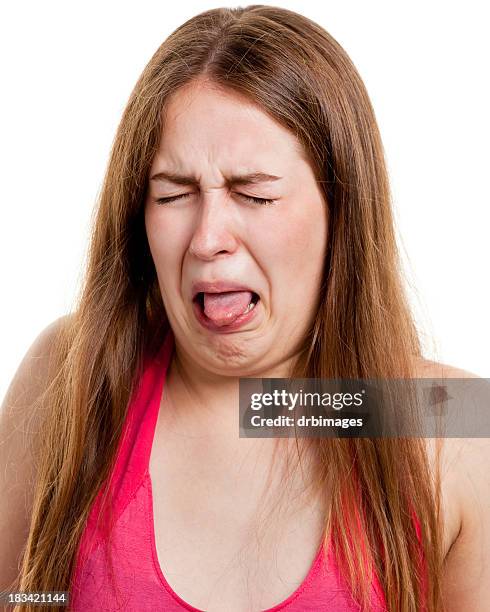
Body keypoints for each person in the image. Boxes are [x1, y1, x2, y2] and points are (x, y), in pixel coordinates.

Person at [1, 5, 489, 611]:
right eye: (173, 194)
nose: (208, 238)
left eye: (253, 194)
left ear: (341, 210)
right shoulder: (70, 375)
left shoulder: (457, 428)